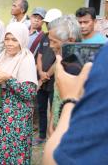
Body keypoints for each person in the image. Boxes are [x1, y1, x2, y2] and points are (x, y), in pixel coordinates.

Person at [43, 26, 108, 165]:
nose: (51, 46)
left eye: (54, 41)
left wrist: (70, 100)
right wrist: (53, 120)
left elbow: (54, 159)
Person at [0, 22, 38, 164]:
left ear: (22, 40)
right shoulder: (3, 56)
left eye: (14, 40)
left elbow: (29, 93)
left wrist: (8, 79)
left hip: (16, 120)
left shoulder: (26, 59)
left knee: (13, 154)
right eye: (7, 39)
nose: (9, 43)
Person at [33, 8, 62, 146]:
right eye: (47, 23)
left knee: (54, 110)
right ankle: (42, 135)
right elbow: (39, 56)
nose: (47, 25)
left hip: (53, 81)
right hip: (42, 79)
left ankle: (54, 138)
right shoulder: (44, 36)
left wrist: (45, 76)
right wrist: (40, 72)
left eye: (50, 23)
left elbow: (58, 60)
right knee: (41, 108)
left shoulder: (62, 38)